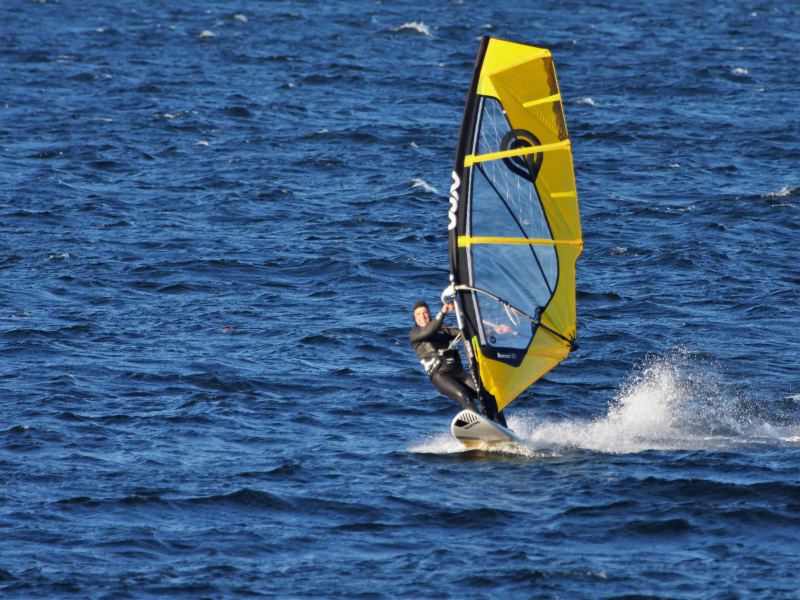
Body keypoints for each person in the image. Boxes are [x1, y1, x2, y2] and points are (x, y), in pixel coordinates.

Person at [409, 300, 507, 427]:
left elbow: (467, 333)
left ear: (429, 314)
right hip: (441, 376)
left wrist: (493, 330)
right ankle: (482, 428)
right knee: (464, 396)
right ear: (414, 318)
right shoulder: (415, 334)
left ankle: (503, 428)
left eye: (425, 313)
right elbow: (429, 331)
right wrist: (443, 312)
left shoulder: (443, 330)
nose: (422, 316)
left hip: (459, 373)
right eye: (418, 314)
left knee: (488, 395)